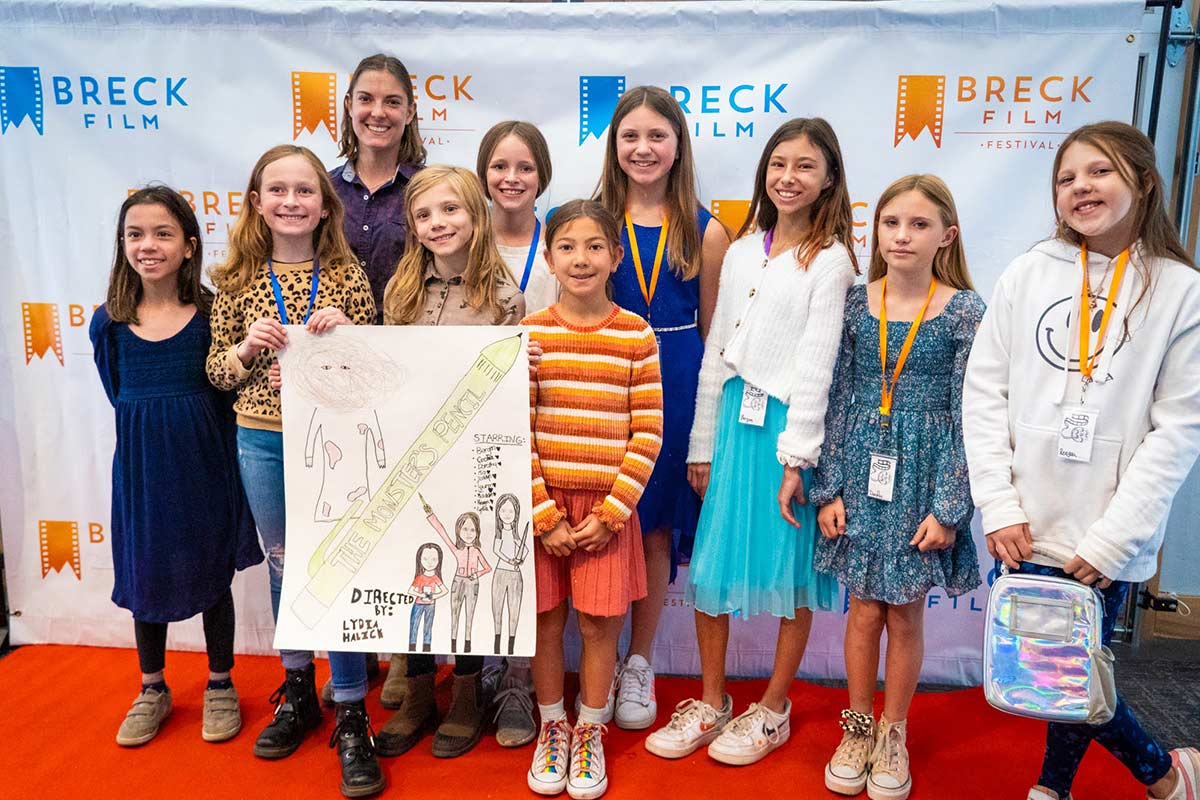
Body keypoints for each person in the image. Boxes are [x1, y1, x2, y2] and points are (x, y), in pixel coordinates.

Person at [964, 121, 1200, 800]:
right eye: (1067, 178)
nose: (1080, 188)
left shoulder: (1180, 291)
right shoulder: (1029, 272)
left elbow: (1177, 429)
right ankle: (1153, 772)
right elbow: (984, 393)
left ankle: (1071, 783)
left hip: (1105, 526)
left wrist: (1116, 538)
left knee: (1072, 668)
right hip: (1025, 518)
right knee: (1051, 666)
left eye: (1099, 172)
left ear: (1143, 182)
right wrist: (999, 504)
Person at [645, 118, 856, 766]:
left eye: (805, 166)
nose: (789, 177)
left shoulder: (833, 260)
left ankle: (773, 707)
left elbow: (820, 366)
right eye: (779, 164)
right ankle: (712, 700)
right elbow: (716, 350)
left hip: (790, 433)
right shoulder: (739, 251)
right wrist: (702, 442)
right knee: (709, 570)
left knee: (790, 576)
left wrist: (799, 458)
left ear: (828, 180)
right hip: (733, 423)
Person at [205, 145, 381, 797]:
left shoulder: (347, 272)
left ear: (324, 204)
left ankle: (354, 705)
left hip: (334, 439)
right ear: (256, 201)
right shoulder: (238, 277)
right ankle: (298, 687)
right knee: (283, 560)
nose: (290, 201)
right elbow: (218, 373)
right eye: (275, 190)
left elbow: (376, 365)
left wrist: (344, 338)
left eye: (304, 190)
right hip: (263, 438)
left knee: (335, 562)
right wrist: (250, 347)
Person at [812, 175, 984, 800]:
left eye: (918, 225)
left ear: (947, 236)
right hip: (860, 468)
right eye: (890, 224)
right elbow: (835, 397)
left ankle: (893, 731)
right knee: (862, 608)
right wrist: (827, 487)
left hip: (924, 474)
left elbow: (972, 413)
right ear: (874, 230)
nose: (902, 236)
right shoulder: (857, 303)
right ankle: (856, 727)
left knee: (904, 613)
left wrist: (950, 508)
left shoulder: (965, 310)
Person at [90, 185, 263, 748]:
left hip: (206, 466)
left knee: (212, 572)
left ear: (189, 245)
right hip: (142, 472)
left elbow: (225, 388)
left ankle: (219, 682)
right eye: (135, 234)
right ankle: (152, 687)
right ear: (122, 245)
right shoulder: (108, 323)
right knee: (146, 572)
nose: (148, 245)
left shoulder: (213, 315)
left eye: (163, 233)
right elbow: (118, 395)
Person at [374, 164, 525, 761]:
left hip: (473, 464)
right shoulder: (400, 291)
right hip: (412, 466)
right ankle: (415, 694)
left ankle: (466, 693)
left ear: (476, 215)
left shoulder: (504, 297)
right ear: (412, 225)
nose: (439, 224)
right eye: (425, 215)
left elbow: (509, 391)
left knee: (465, 579)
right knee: (410, 578)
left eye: (451, 211)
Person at [592, 86, 730, 729]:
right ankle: (598, 658)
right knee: (602, 518)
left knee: (650, 528)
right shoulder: (589, 221)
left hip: (675, 383)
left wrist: (704, 429)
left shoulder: (707, 230)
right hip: (599, 381)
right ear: (613, 145)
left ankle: (639, 662)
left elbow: (714, 337)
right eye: (630, 136)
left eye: (657, 136)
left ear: (678, 146)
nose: (643, 149)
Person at [523, 199, 663, 799]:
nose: (581, 259)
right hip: (545, 512)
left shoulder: (635, 334)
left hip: (608, 512)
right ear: (550, 258)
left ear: (614, 257)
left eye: (595, 246)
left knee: (601, 624)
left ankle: (590, 727)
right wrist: (542, 513)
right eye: (567, 247)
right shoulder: (530, 335)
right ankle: (551, 724)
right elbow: (516, 429)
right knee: (546, 621)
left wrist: (612, 514)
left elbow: (648, 429)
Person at [326, 51, 429, 709]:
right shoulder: (320, 186)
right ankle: (354, 646)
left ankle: (402, 653)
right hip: (330, 380)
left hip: (408, 379)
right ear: (349, 108)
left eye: (393, 101)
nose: (378, 112)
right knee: (346, 514)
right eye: (367, 98)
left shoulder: (425, 189)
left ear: (411, 112)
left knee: (403, 519)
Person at [477, 120, 558, 313]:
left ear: (542, 175)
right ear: (483, 173)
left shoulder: (558, 250)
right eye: (499, 166)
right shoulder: (467, 247)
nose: (512, 178)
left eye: (526, 168)